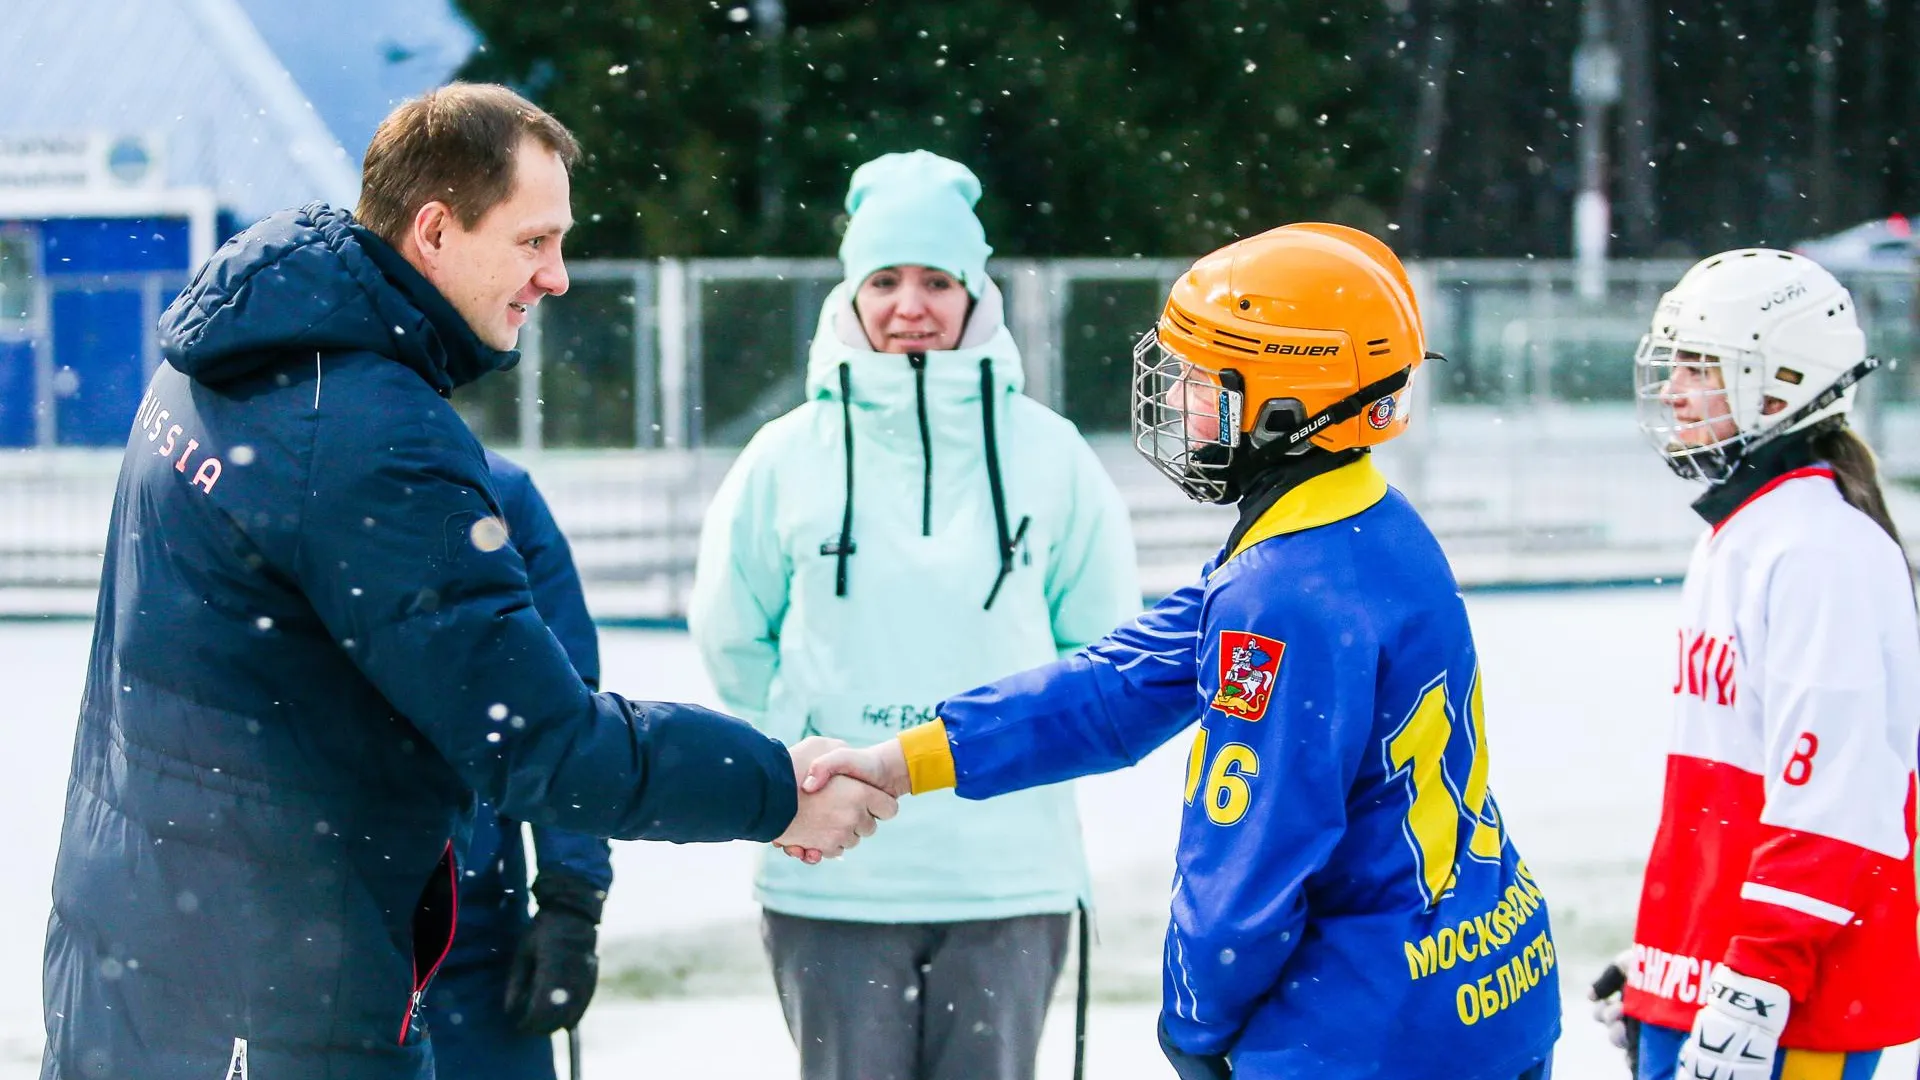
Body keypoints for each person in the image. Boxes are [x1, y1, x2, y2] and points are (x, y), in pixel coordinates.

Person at [40, 82, 893, 1080]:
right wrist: (774, 789)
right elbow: (535, 741)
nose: (558, 276)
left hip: (142, 941)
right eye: (534, 241)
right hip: (260, 993)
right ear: (436, 230)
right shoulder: (368, 435)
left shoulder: (231, 357)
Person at [797, 223, 1561, 1080]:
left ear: (1283, 404)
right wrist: (904, 762)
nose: (1178, 401)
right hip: (1486, 987)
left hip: (1360, 1036)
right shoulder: (1358, 524)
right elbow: (1123, 682)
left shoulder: (1279, 593)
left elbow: (1250, 857)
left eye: (1202, 380)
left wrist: (1198, 1024)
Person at [688, 149, 1140, 1080]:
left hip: (1007, 872)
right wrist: (805, 757)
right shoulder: (785, 458)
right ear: (849, 294)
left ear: (977, 294)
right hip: (835, 870)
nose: (910, 305)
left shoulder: (1050, 456)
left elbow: (1102, 653)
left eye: (938, 279)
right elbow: (733, 635)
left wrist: (1011, 754)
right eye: (885, 279)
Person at [1584, 249, 1920, 1080]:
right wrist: (1668, 958)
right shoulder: (1744, 531)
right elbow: (1722, 796)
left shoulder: (1822, 550)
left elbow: (1838, 807)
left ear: (1780, 387)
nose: (1672, 391)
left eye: (1699, 367)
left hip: (1790, 1005)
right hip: (1714, 979)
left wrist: (1755, 978)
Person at [420, 449, 610, 1079]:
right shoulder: (251, 479)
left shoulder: (499, 496)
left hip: (474, 940)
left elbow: (563, 717)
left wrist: (571, 897)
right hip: (300, 934)